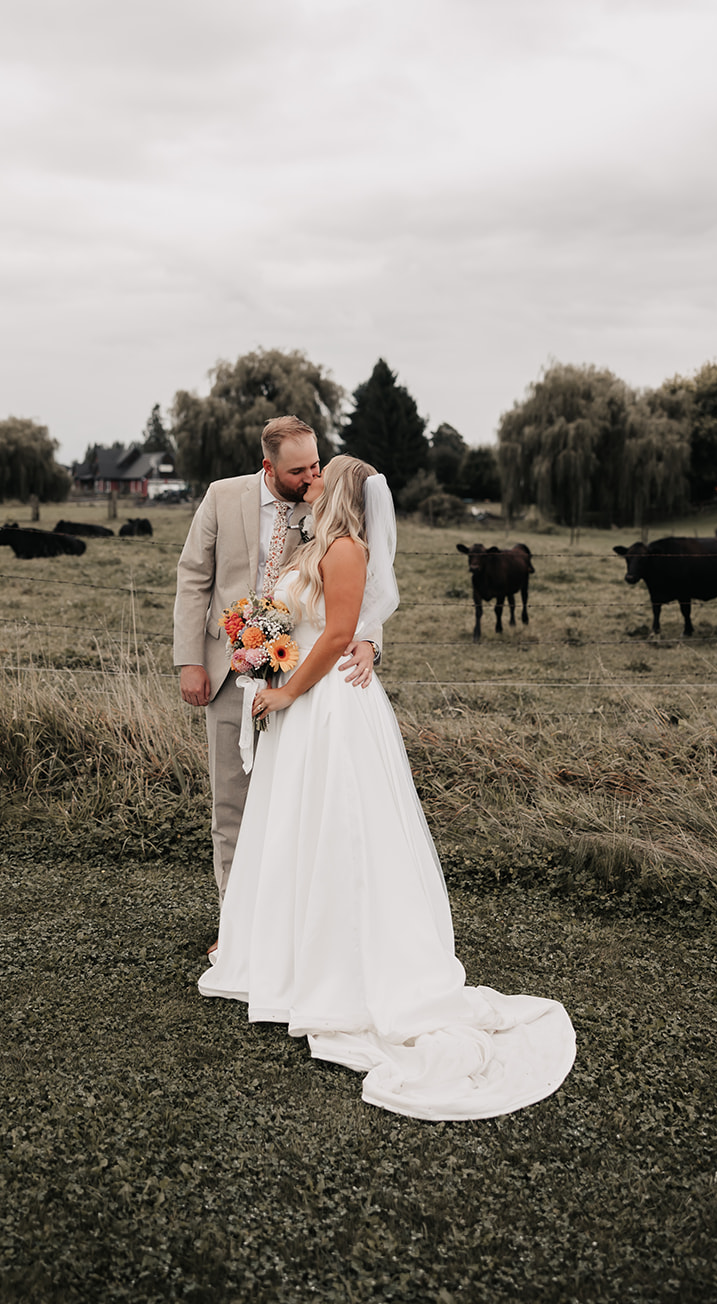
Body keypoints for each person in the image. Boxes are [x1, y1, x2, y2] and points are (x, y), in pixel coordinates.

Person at [199, 455, 576, 1122]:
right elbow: (291, 624)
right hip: (303, 713)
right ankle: (281, 954)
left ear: (340, 490)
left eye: (318, 476)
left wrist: (285, 689)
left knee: (341, 829)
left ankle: (342, 968)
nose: (306, 482)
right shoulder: (312, 546)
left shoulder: (345, 550)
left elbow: (340, 633)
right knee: (295, 830)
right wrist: (256, 646)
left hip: (330, 712)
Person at [173, 416, 381, 907]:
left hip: (301, 682)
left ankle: (287, 917)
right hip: (227, 674)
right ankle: (236, 920)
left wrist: (370, 642)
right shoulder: (223, 497)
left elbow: (362, 589)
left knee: (291, 806)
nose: (311, 478)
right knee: (232, 802)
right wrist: (189, 660)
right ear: (267, 467)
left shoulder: (326, 510)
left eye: (315, 466)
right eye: (298, 472)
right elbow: (193, 577)